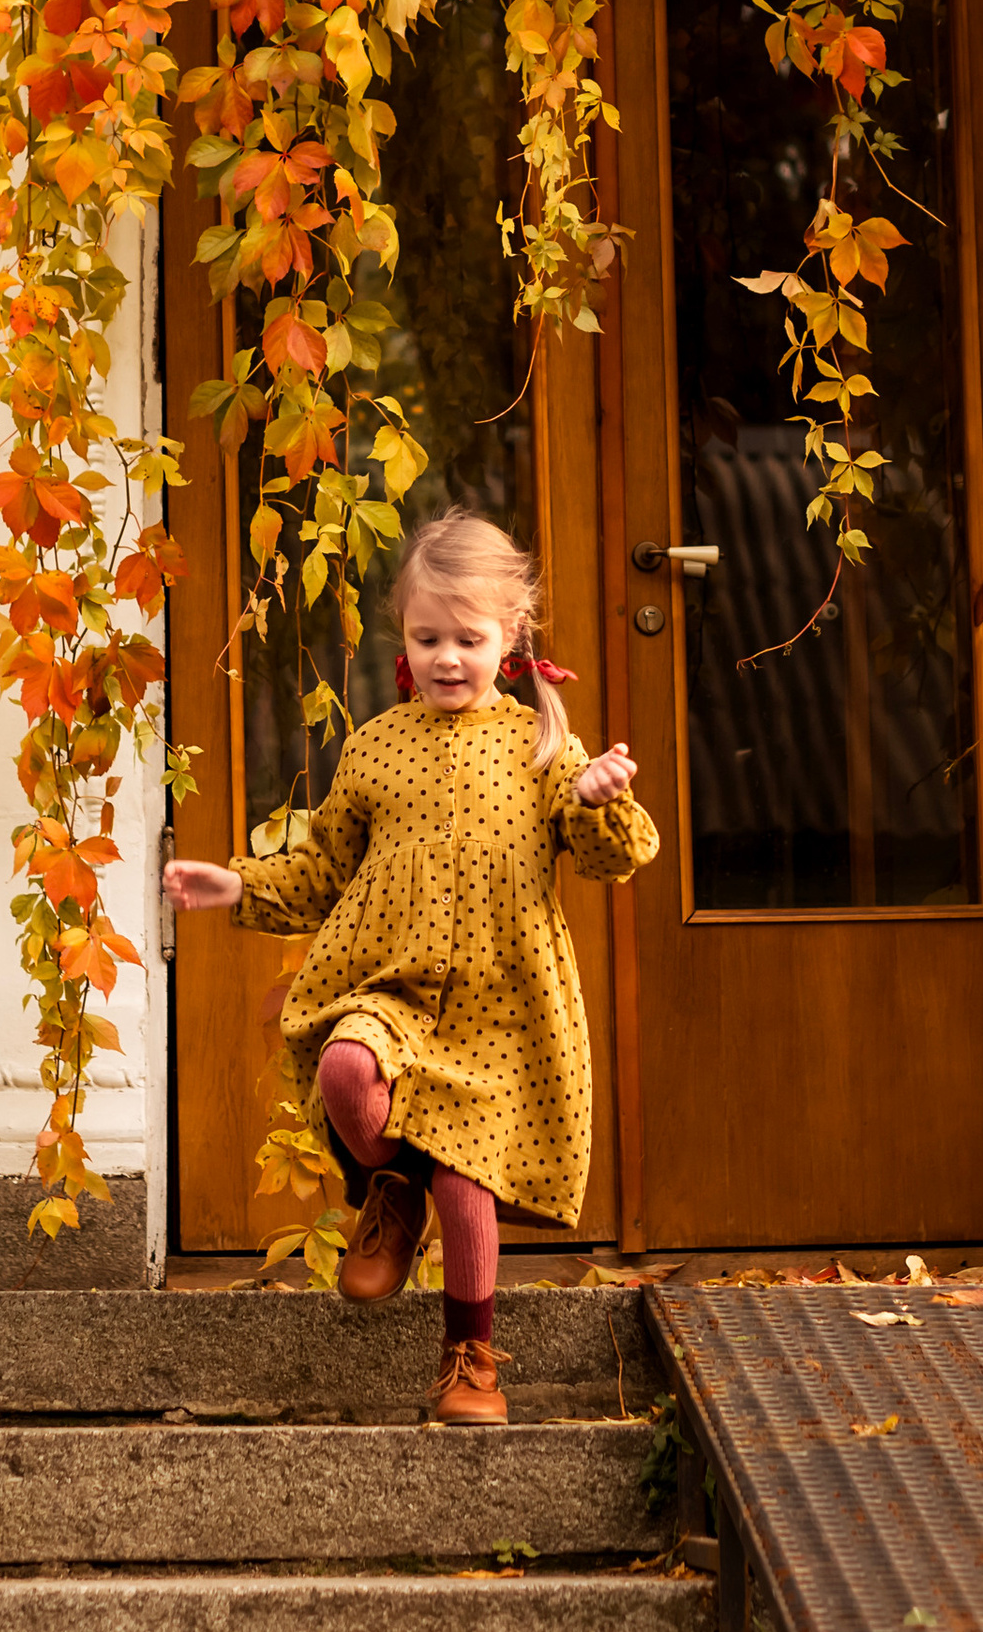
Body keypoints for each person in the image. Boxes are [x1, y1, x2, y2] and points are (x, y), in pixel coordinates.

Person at [163, 508, 659, 1425]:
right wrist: (236, 886)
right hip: (388, 988)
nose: (447, 659)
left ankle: (471, 1360)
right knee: (347, 1071)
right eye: (428, 639)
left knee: (465, 1182)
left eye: (469, 640)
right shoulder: (375, 747)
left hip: (500, 1011)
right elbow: (323, 873)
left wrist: (598, 800)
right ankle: (390, 1186)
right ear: (404, 636)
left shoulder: (542, 748)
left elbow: (609, 858)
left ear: (511, 636)